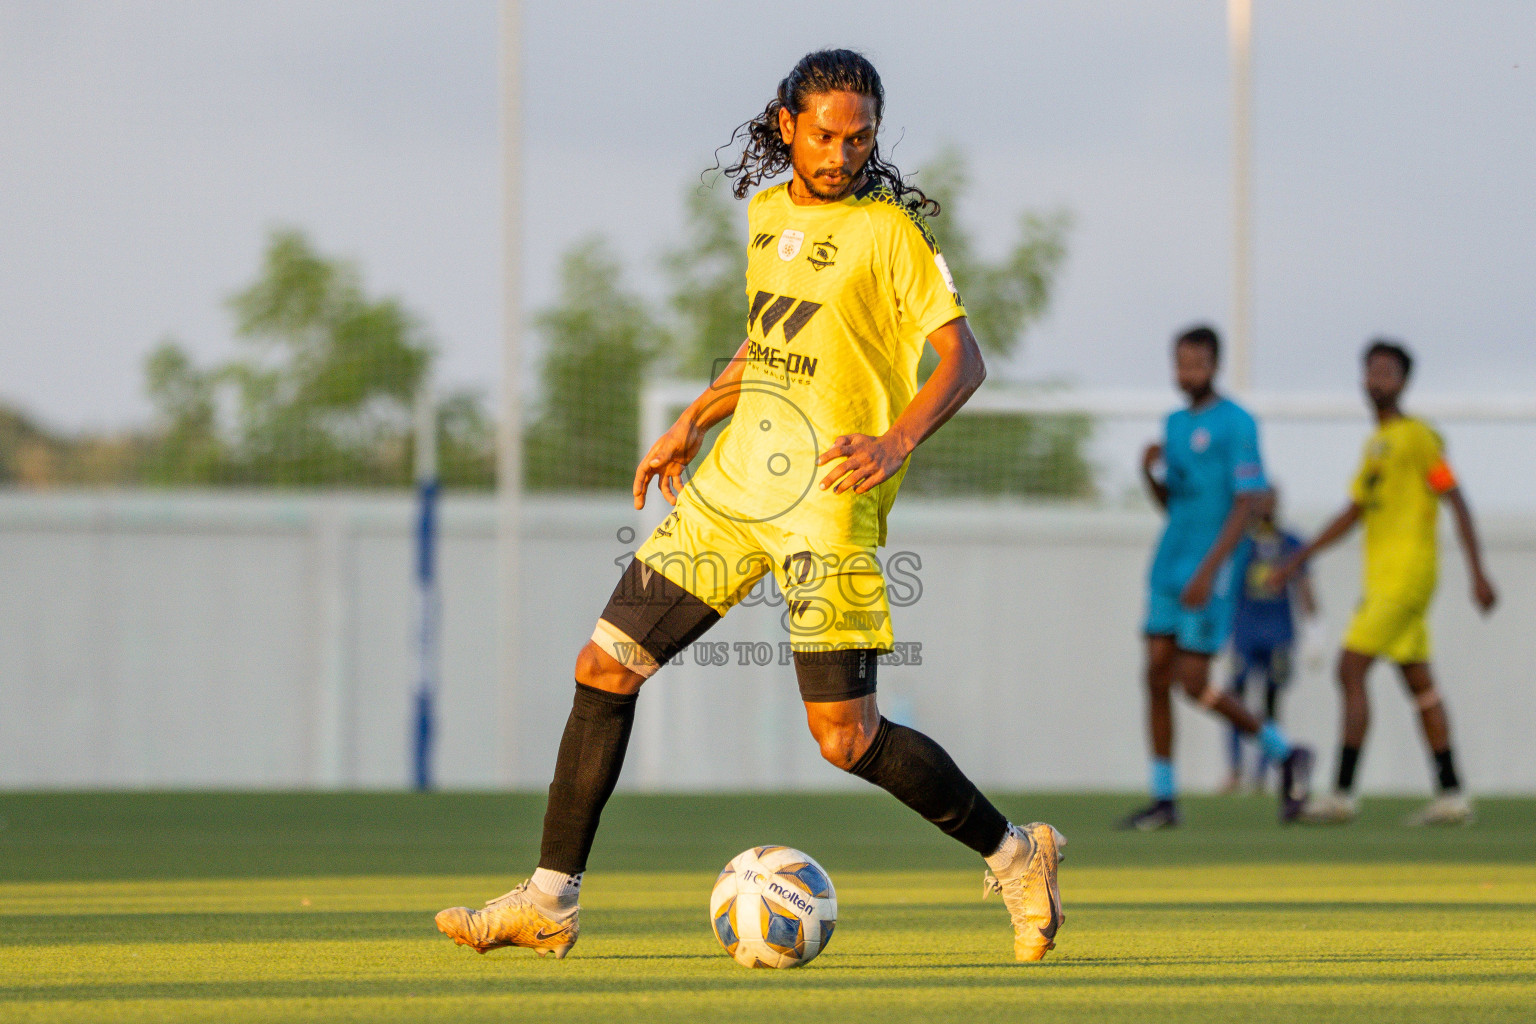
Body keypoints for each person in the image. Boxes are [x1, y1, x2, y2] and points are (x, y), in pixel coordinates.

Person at [434, 49, 1065, 963]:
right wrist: (696, 415)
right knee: (604, 667)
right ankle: (548, 899)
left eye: (860, 137)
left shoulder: (891, 235)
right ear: (786, 125)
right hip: (732, 491)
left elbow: (962, 360)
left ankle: (1017, 854)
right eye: (824, 134)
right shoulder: (766, 214)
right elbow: (770, 342)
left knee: (844, 739)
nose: (842, 153)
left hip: (827, 505)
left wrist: (893, 443)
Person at [1277, 340, 1497, 826]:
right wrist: (1297, 559)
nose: (1377, 380)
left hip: (1406, 575)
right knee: (1419, 683)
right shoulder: (1374, 446)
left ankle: (1341, 794)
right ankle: (1452, 793)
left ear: (1403, 381)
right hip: (1386, 578)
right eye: (1371, 371)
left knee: (1349, 669)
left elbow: (1454, 496)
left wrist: (1478, 571)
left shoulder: (1419, 437)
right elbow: (1353, 512)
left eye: (1387, 372)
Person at [1119, 326, 1312, 830]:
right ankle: (1164, 798)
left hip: (1213, 567)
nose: (1188, 372)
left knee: (1194, 682)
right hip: (1169, 562)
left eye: (1198, 363)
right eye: (1181, 362)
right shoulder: (1174, 424)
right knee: (1156, 675)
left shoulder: (1237, 423)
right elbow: (1174, 504)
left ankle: (1285, 752)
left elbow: (1247, 502)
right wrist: (1149, 476)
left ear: (1215, 364)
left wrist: (1209, 570)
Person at [1221, 488, 1317, 794]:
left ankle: (1263, 772)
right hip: (1244, 632)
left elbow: (1304, 585)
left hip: (1279, 634)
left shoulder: (1290, 543)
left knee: (1272, 703)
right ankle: (1235, 770)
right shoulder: (1240, 544)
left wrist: (1316, 629)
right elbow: (1225, 587)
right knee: (1234, 701)